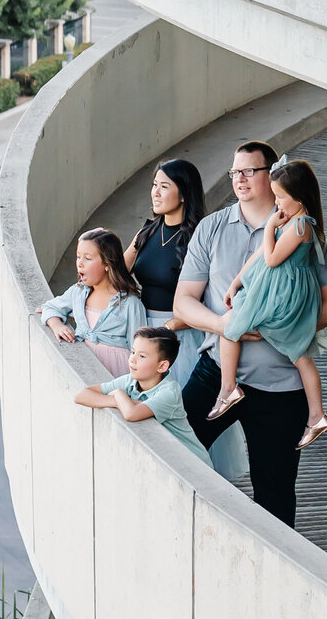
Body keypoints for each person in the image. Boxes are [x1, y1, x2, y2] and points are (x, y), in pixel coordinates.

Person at [174, 141, 327, 528]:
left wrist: (278, 326)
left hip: (281, 388)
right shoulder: (212, 227)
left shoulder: (306, 234)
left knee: (276, 498)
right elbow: (184, 302)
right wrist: (226, 327)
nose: (241, 179)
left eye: (250, 171)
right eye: (235, 172)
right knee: (171, 454)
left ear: (274, 176)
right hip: (216, 372)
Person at [211, 158, 327, 448]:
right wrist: (236, 281)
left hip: (281, 295)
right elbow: (258, 258)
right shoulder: (290, 219)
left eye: (281, 197)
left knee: (229, 329)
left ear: (300, 196)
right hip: (277, 288)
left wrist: (267, 229)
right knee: (299, 354)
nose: (277, 203)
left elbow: (272, 257)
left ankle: (229, 389)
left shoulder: (301, 225)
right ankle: (316, 416)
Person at [73, 326, 211, 467]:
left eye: (142, 356)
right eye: (133, 352)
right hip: (170, 460)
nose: (132, 359)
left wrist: (120, 394)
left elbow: (131, 413)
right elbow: (81, 395)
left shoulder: (169, 392)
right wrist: (118, 401)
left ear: (162, 366)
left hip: (194, 464)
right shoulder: (130, 380)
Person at [124, 159, 206, 390]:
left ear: (184, 194)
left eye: (164, 186)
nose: (155, 192)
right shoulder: (148, 230)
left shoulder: (199, 237)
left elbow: (210, 297)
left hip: (181, 335)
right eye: (154, 185)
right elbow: (118, 272)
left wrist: (170, 327)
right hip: (143, 332)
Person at [39, 227, 147, 375]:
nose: (80, 263)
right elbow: (50, 307)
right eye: (78, 256)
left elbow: (141, 349)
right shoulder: (78, 292)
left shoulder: (130, 303)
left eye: (88, 258)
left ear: (107, 264)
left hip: (117, 376)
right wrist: (56, 325)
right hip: (85, 371)